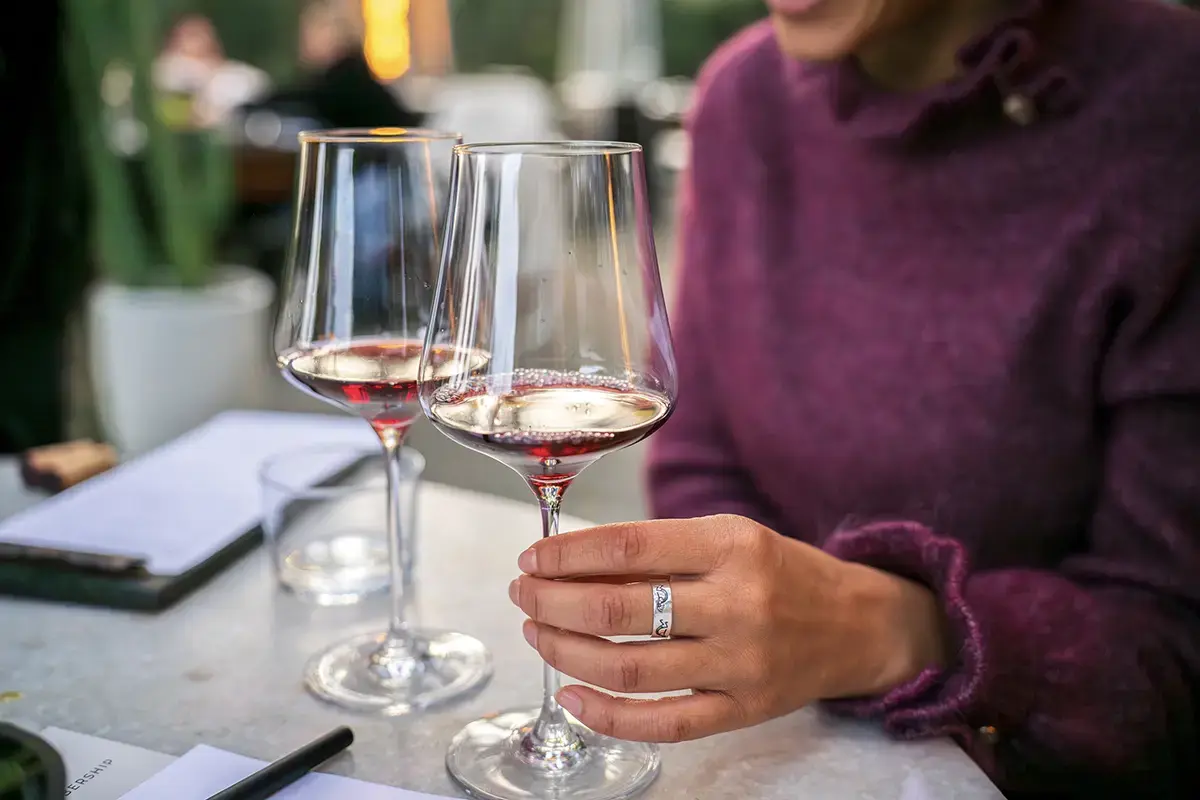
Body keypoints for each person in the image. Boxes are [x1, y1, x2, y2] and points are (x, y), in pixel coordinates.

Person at [504, 0, 1200, 797]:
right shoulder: (740, 97)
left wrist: (886, 631)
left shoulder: (1172, 98)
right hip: (792, 748)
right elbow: (701, 461)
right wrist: (751, 636)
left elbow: (1175, 653)